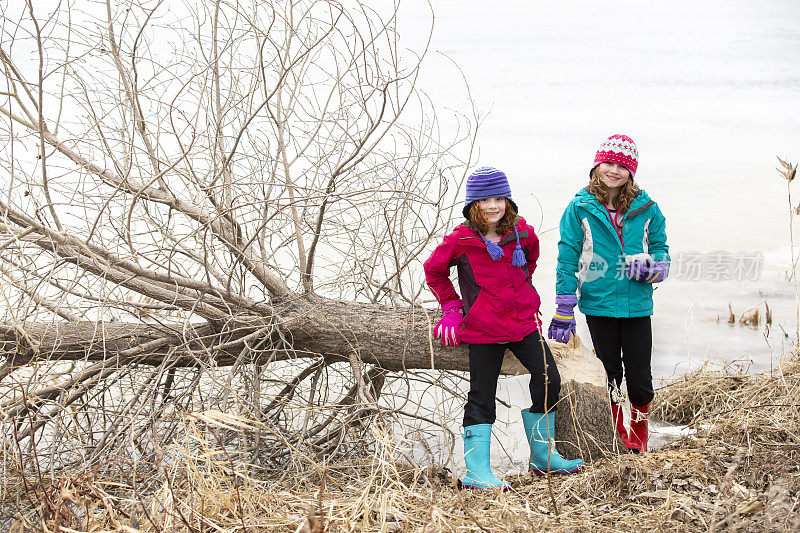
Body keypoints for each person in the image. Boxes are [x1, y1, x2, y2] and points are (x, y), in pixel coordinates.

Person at [424, 167, 584, 490]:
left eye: (499, 198)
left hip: (524, 324)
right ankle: (477, 473)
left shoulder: (521, 232)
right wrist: (453, 308)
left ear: (507, 201)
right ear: (473, 205)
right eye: (485, 200)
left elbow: (532, 258)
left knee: (549, 379)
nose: (493, 205)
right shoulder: (462, 240)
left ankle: (543, 457)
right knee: (482, 396)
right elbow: (434, 271)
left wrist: (522, 288)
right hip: (484, 330)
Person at [548, 134, 670, 453]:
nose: (614, 170)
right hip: (598, 305)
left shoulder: (648, 208)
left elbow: (661, 250)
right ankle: (619, 435)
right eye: (608, 163)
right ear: (597, 166)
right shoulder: (579, 208)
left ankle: (640, 435)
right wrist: (564, 305)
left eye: (622, 166)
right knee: (610, 374)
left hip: (638, 305)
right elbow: (566, 259)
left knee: (640, 377)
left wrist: (653, 269)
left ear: (631, 171)